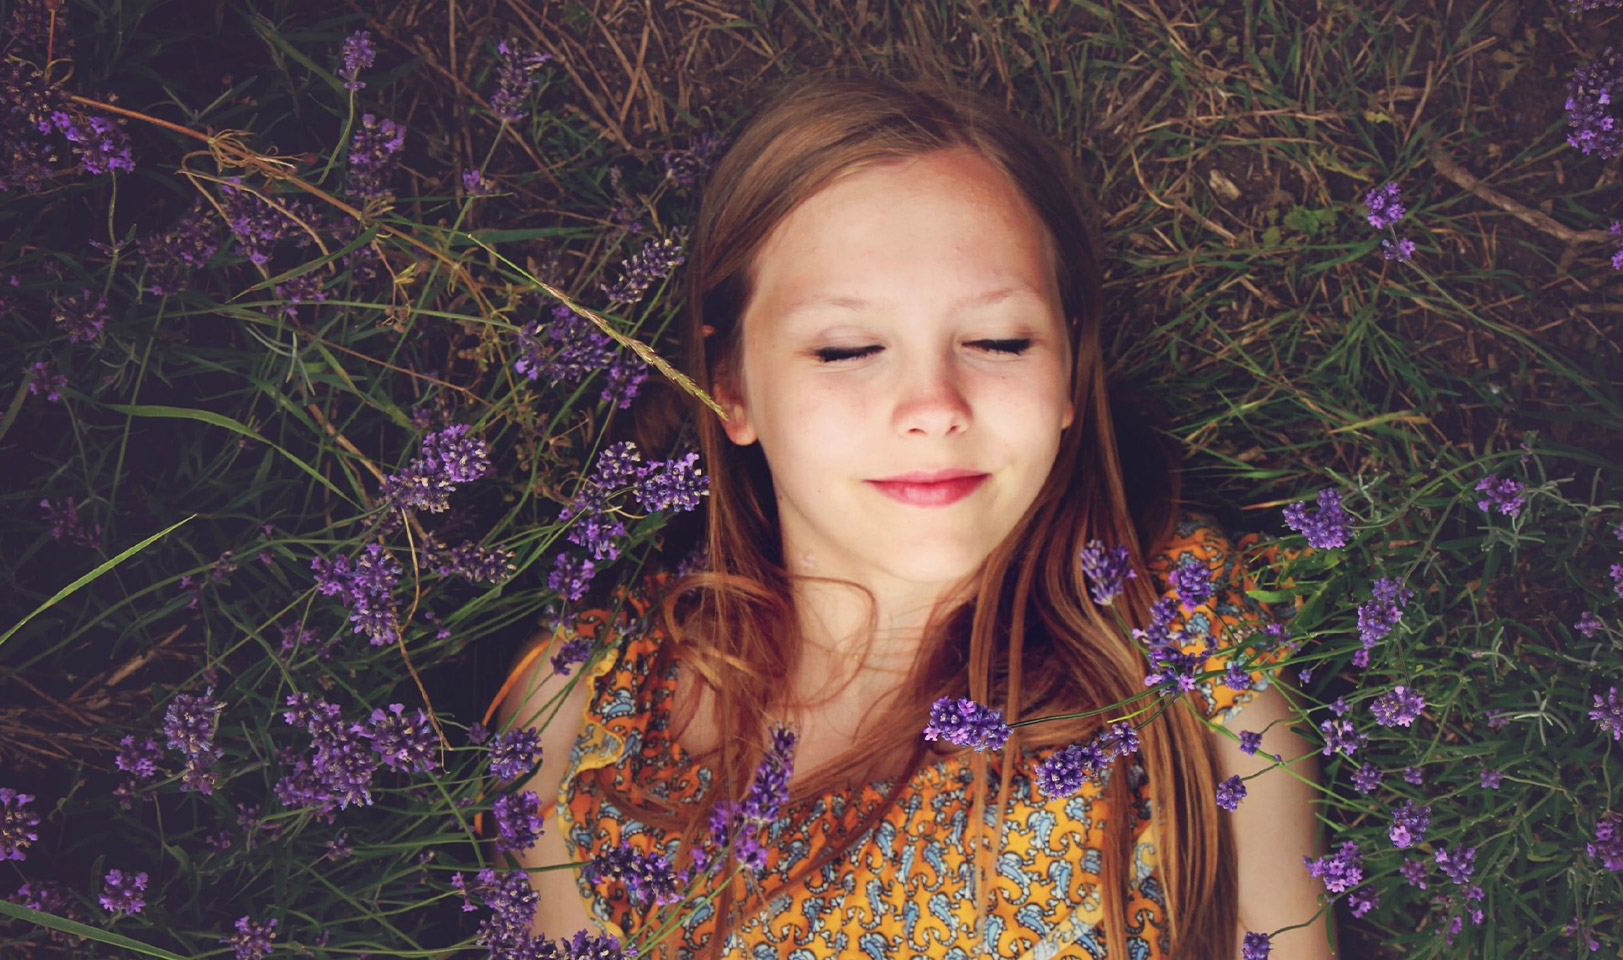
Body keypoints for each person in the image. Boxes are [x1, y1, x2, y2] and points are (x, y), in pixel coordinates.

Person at [485, 68, 1337, 959]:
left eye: (999, 341)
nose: (933, 403)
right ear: (730, 383)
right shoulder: (584, 706)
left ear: (1070, 372)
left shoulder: (1189, 658)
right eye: (849, 349)